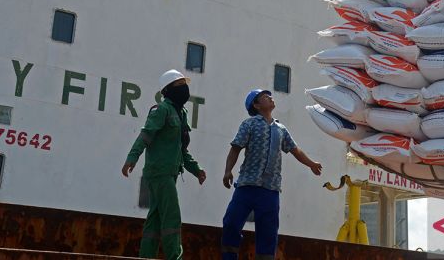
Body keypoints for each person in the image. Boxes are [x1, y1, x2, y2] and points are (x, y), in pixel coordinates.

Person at [221, 89, 322, 260]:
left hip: (270, 189)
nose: (270, 98)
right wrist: (228, 171)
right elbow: (235, 148)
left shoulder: (281, 129)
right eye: (264, 97)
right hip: (247, 186)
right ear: (256, 105)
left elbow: (295, 150)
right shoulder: (249, 124)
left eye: (270, 96)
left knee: (268, 232)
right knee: (231, 222)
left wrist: (311, 163)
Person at [122, 69, 206, 260]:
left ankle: (147, 256)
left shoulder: (181, 113)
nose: (184, 88)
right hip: (159, 172)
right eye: (179, 85)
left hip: (168, 172)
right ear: (167, 90)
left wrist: (196, 169)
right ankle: (174, 257)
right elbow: (146, 135)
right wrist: (132, 158)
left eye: (185, 84)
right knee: (172, 217)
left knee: (156, 217)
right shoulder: (162, 110)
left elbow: (181, 149)